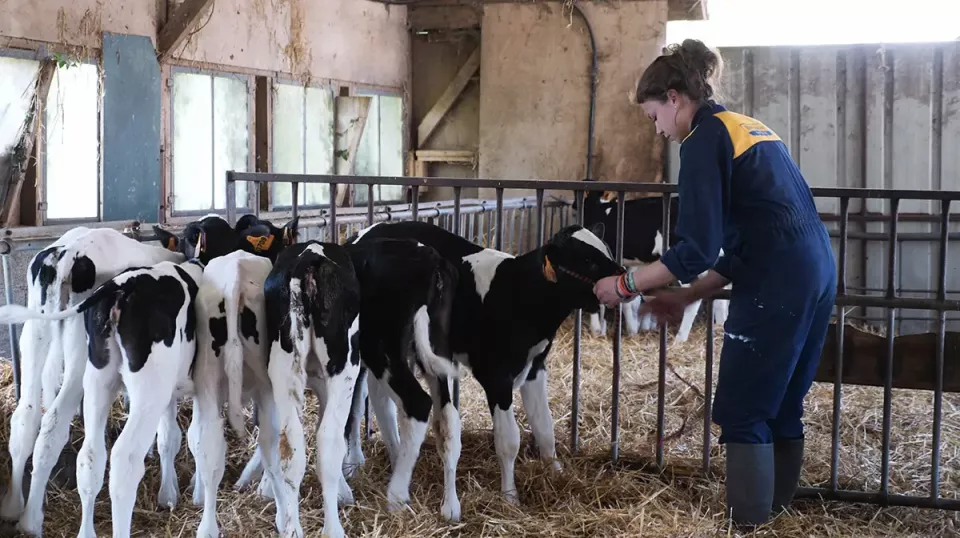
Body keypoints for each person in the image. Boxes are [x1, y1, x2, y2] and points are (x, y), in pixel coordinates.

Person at [593, 39, 837, 527]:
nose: (658, 129)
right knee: (783, 403)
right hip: (815, 267)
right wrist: (687, 295)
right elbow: (754, 237)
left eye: (654, 116)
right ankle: (778, 518)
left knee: (744, 409)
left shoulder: (703, 139)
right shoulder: (749, 126)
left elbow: (695, 251)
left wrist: (625, 285)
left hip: (777, 279)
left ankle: (746, 526)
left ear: (675, 96)